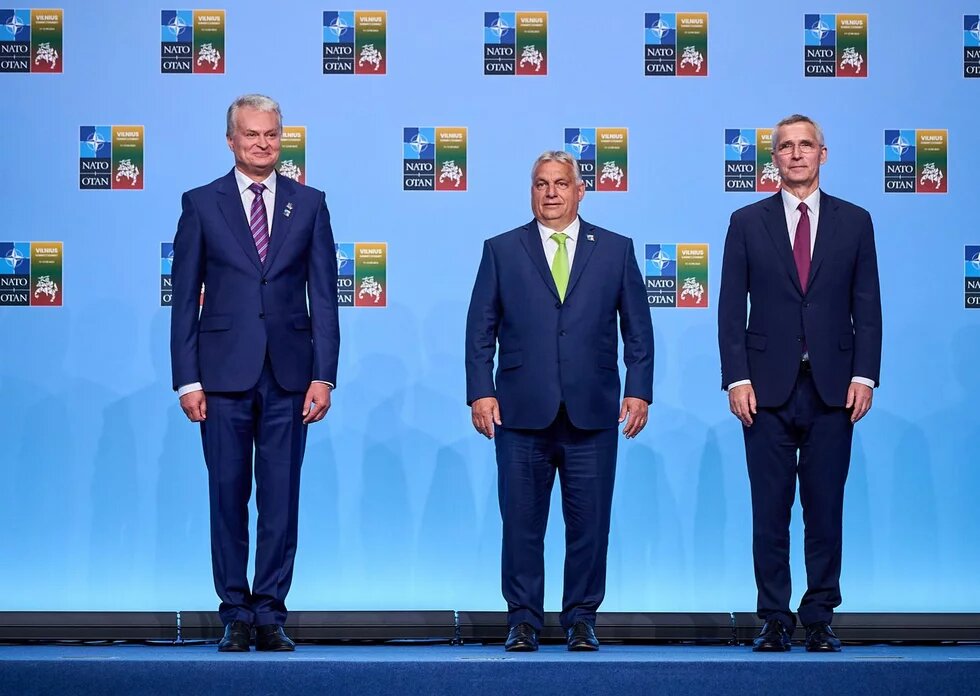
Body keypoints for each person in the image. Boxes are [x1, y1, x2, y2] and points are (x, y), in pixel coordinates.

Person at [465, 150, 654, 652]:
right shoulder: (502, 249)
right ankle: (523, 620)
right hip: (521, 411)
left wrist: (638, 388)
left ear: (579, 191)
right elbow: (480, 329)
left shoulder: (615, 250)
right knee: (521, 524)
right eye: (541, 184)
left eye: (560, 184)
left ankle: (581, 619)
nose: (550, 192)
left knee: (590, 525)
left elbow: (638, 330)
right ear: (532, 191)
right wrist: (481, 391)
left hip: (592, 411)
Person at [169, 94, 340, 652]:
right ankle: (234, 613)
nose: (262, 144)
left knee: (281, 497)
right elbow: (183, 302)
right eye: (251, 135)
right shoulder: (200, 204)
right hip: (221, 377)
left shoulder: (310, 204)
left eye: (271, 135)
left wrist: (325, 375)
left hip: (290, 377)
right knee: (226, 495)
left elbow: (325, 299)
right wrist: (187, 379)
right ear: (231, 140)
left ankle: (270, 612)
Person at [718, 114, 882, 653]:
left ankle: (819, 616)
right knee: (769, 510)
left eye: (805, 145)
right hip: (764, 392)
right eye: (785, 147)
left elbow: (868, 306)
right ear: (774, 158)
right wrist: (736, 377)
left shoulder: (856, 222)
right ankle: (773, 618)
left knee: (824, 508)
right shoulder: (746, 221)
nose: (795, 154)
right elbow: (728, 308)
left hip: (833, 389)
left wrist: (865, 374)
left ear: (823, 154)